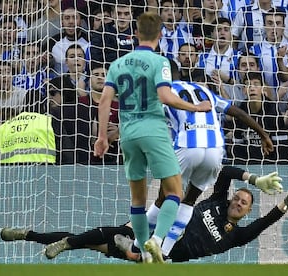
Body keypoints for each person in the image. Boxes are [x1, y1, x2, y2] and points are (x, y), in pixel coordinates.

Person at [0, 166, 288, 262]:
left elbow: (269, 220)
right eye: (238, 198)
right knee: (101, 235)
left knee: (102, 239)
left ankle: (49, 239)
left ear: (246, 212)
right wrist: (253, 180)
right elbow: (226, 172)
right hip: (157, 229)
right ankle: (33, 236)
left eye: (245, 203)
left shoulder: (240, 235)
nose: (239, 202)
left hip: (164, 253)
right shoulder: (217, 202)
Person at [93, 12, 211, 264]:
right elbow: (166, 97)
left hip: (128, 134)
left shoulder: (118, 64)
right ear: (160, 35)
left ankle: (144, 254)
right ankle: (156, 241)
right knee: (175, 193)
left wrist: (102, 136)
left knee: (138, 199)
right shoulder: (161, 62)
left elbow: (104, 101)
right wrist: (195, 108)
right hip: (154, 131)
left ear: (136, 34)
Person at [137, 61, 274, 259]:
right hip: (215, 150)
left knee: (165, 198)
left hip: (188, 146)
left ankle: (143, 245)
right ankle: (164, 253)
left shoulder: (162, 93)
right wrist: (263, 134)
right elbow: (237, 112)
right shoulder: (203, 90)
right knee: (189, 200)